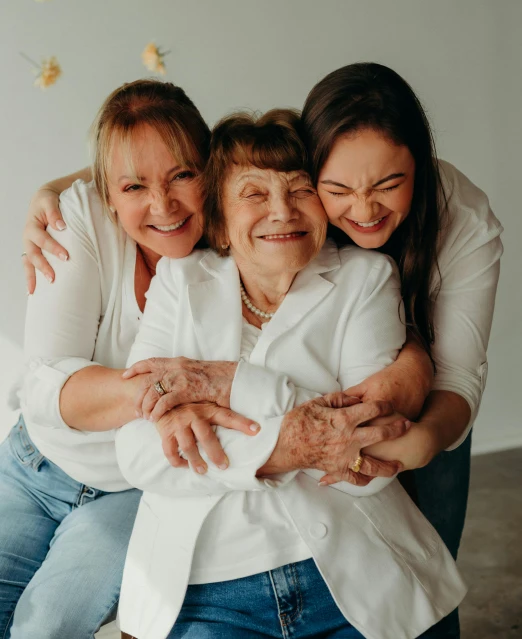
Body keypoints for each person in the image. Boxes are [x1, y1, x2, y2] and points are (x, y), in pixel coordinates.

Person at [114, 110, 466, 639]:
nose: (281, 211)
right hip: (207, 590)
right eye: (253, 194)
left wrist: (227, 385)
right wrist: (294, 446)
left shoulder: (365, 279)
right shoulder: (178, 282)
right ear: (220, 220)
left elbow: (369, 458)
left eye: (300, 190)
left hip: (354, 572)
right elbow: (138, 453)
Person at [0, 80, 263, 638]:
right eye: (134, 186)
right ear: (108, 191)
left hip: (132, 493)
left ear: (210, 170)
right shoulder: (82, 218)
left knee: (46, 626)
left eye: (183, 176)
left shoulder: (245, 235)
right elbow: (46, 385)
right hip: (33, 467)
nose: (162, 205)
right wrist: (167, 391)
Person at [299, 62, 503, 637]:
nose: (364, 210)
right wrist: (56, 189)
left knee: (428, 589)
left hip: (429, 413)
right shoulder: (283, 187)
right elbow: (186, 171)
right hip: (314, 402)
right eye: (338, 190)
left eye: (389, 185)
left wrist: (422, 442)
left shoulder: (463, 219)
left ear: (421, 160)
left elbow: (459, 377)